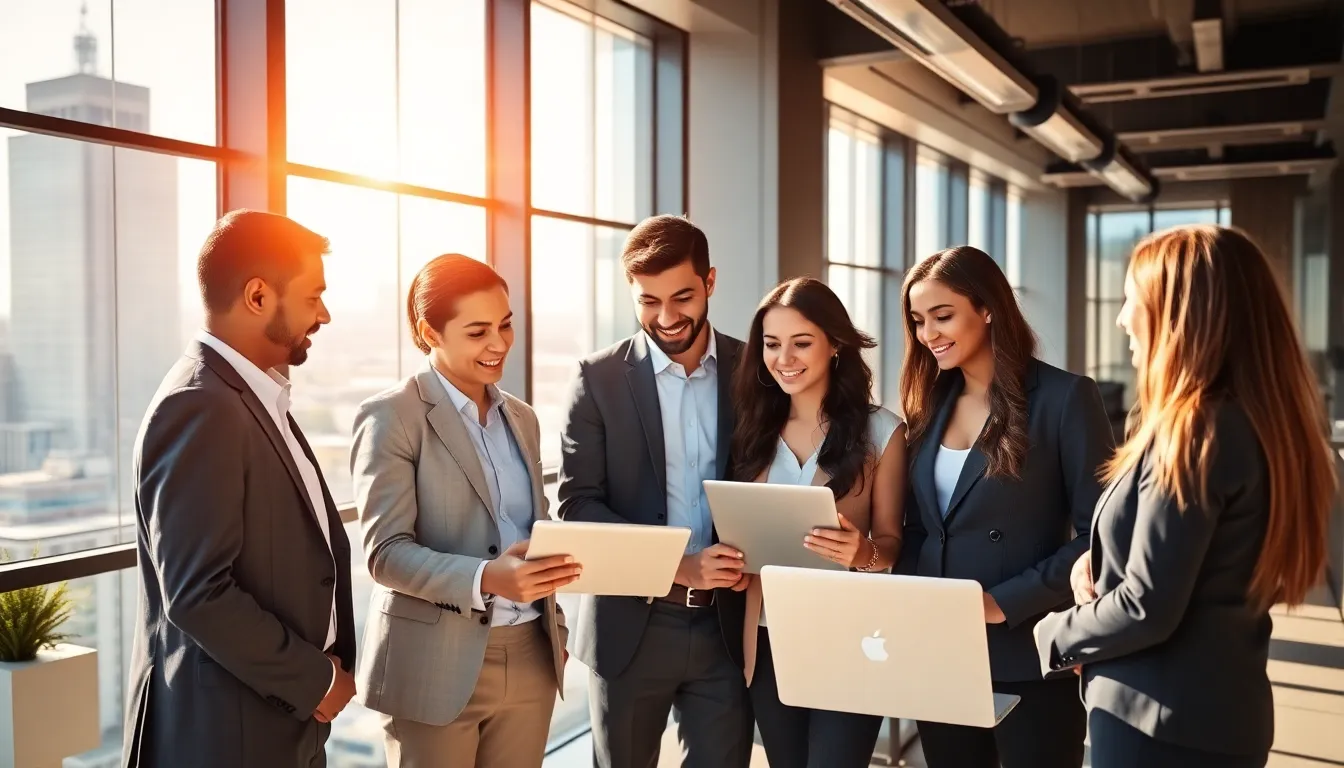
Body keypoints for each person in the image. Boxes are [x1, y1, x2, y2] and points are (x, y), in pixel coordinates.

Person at [1034, 225, 1336, 768]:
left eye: (1133, 299)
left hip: (1157, 726)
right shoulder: (1259, 425)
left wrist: (1054, 634)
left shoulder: (1196, 431)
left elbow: (1146, 607)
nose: (1123, 317)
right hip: (1215, 715)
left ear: (1181, 315)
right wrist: (1099, 563)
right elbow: (1195, 562)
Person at [123, 209, 356, 767]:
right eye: (311, 297)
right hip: (230, 731)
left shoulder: (254, 396)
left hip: (277, 718)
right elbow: (198, 594)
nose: (323, 314)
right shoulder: (200, 406)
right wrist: (316, 680)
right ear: (257, 296)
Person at [349, 254, 579, 767]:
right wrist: (488, 579)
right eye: (478, 332)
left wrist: (554, 631)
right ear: (430, 332)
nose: (498, 344)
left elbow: (528, 534)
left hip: (529, 657)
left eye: (505, 324)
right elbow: (385, 554)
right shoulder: (392, 417)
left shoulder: (522, 418)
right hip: (435, 666)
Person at [894, 245, 1114, 768]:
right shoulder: (926, 408)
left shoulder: (1065, 398)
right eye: (919, 321)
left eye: (943, 316)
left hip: (1028, 652)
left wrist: (1000, 603)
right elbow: (920, 531)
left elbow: (1100, 539)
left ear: (987, 308)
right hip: (942, 654)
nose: (929, 334)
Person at [558, 214, 754, 768]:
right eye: (648, 301)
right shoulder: (597, 380)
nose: (666, 318)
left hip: (726, 625)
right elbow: (578, 506)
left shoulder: (754, 371)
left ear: (710, 282)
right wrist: (679, 565)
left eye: (683, 297)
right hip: (629, 628)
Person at [729, 277, 906, 767]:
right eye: (771, 344)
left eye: (801, 343)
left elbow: (892, 541)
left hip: (851, 638)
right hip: (766, 637)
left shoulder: (881, 432)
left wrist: (861, 553)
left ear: (835, 345)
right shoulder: (751, 431)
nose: (784, 358)